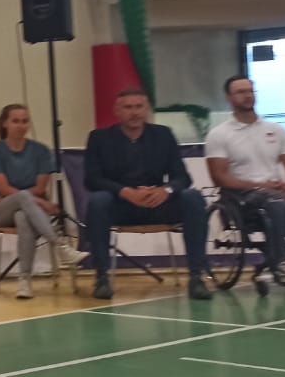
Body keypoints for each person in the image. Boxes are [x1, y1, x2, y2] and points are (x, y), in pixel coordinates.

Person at [83, 87, 212, 301]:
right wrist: (124, 192)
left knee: (193, 197)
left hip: (157, 204)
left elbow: (182, 177)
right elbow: (92, 179)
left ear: (147, 109)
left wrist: (165, 190)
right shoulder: (99, 138)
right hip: (120, 206)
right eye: (128, 107)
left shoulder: (163, 134)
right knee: (98, 200)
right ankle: (102, 277)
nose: (134, 112)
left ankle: (197, 277)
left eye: (139, 107)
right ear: (117, 111)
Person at [0, 104, 87, 299]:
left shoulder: (40, 150)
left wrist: (32, 199)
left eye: (25, 121)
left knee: (23, 217)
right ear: (5, 123)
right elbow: (3, 189)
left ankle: (24, 281)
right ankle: (60, 246)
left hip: (31, 210)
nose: (21, 126)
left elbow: (40, 187)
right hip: (3, 210)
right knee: (22, 198)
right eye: (15, 121)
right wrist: (41, 202)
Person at [204, 73, 285, 285]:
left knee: (277, 199)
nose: (248, 95)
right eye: (241, 92)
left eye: (250, 91)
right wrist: (261, 185)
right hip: (241, 197)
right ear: (229, 98)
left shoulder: (276, 130)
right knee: (276, 202)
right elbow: (219, 178)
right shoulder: (219, 135)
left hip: (275, 192)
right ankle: (280, 263)